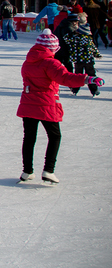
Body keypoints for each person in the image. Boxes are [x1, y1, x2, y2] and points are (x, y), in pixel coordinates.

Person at [17, 29, 103, 184]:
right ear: (52, 48)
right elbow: (65, 78)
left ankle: (27, 171)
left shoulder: (28, 61)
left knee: (29, 137)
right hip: (45, 104)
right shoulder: (51, 63)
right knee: (55, 136)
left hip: (28, 103)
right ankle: (48, 170)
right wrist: (87, 79)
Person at [64, 23, 102, 97]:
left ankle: (75, 89)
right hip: (89, 61)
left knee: (77, 76)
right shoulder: (88, 39)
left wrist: (72, 32)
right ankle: (94, 90)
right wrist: (97, 54)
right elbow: (93, 48)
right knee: (91, 75)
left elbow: (66, 38)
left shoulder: (75, 38)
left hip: (78, 61)